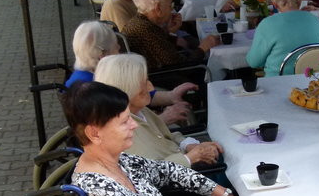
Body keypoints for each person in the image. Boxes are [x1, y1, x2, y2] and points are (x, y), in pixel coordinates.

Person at [63, 81, 243, 196]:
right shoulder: (100, 192)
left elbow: (167, 171)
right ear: (94, 133)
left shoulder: (121, 161)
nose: (134, 125)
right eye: (125, 121)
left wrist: (223, 194)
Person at [94, 54, 224, 168]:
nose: (151, 87)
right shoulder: (120, 131)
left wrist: (188, 145)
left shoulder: (141, 111)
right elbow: (151, 172)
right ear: (127, 87)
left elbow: (168, 136)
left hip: (185, 166)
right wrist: (191, 157)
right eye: (144, 82)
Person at [67, 21, 195, 124]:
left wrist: (171, 96)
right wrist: (163, 119)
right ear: (103, 56)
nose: (120, 53)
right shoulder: (91, 90)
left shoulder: (89, 76)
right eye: (117, 48)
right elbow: (116, 132)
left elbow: (139, 95)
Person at [125, 0, 220, 72]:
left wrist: (169, 32)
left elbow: (162, 50)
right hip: (168, 79)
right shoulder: (145, 29)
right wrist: (203, 48)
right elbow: (182, 66)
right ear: (158, 8)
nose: (172, 10)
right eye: (170, 5)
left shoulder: (140, 22)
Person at [246, 0, 319, 76]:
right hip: (312, 83)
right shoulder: (315, 20)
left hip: (278, 84)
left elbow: (254, 62)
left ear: (275, 4)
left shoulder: (267, 24)